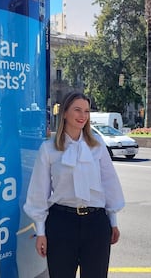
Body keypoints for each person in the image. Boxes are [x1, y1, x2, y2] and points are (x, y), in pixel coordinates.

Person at [23, 92, 125, 278]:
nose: (82, 116)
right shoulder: (49, 148)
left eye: (86, 111)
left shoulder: (97, 145)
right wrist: (40, 232)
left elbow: (109, 183)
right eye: (77, 110)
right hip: (61, 223)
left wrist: (113, 221)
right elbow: (39, 191)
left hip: (96, 223)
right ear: (64, 113)